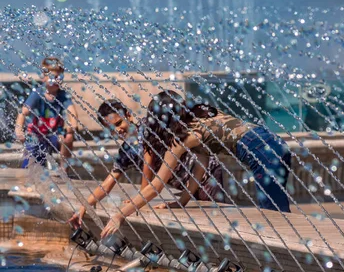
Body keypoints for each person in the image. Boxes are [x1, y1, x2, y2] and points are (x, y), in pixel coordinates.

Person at [100, 91, 292, 238]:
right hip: (273, 142)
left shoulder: (181, 139)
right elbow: (201, 165)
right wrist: (182, 201)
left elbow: (155, 187)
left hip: (261, 151)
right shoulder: (201, 117)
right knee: (279, 212)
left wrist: (120, 215)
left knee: (273, 217)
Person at [69, 99, 225, 228]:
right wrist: (84, 206)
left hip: (205, 173)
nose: (117, 130)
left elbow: (147, 164)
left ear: (128, 116)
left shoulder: (148, 128)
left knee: (213, 220)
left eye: (118, 123)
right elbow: (107, 184)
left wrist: (141, 196)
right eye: (111, 129)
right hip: (185, 183)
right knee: (195, 220)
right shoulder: (126, 151)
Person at [15, 57, 78, 170]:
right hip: (36, 135)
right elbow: (23, 112)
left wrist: (72, 127)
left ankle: (64, 170)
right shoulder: (38, 94)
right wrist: (18, 130)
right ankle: (26, 173)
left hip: (55, 135)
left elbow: (72, 113)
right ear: (44, 77)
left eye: (59, 77)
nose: (56, 80)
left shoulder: (63, 96)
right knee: (30, 163)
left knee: (67, 138)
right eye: (52, 77)